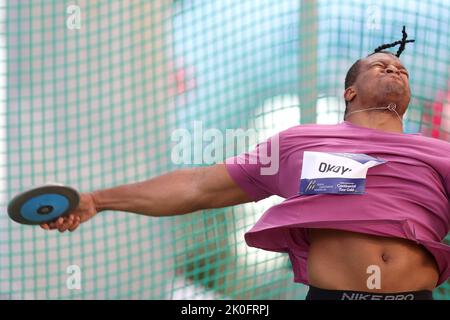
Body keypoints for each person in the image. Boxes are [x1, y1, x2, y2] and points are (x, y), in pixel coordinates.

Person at [40, 27, 450, 300]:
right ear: (349, 93)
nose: (394, 67)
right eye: (381, 65)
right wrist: (97, 199)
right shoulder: (299, 143)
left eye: (401, 69)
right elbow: (199, 185)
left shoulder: (439, 153)